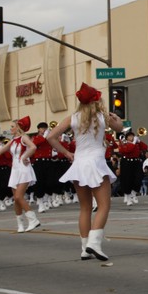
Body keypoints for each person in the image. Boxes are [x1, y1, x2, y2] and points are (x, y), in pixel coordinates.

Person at [47, 83, 123, 261]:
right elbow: (120, 128)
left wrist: (66, 153)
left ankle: (84, 248)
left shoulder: (72, 117)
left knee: (85, 208)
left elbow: (50, 137)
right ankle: (94, 243)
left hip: (79, 164)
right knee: (104, 205)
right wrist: (117, 119)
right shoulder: (103, 116)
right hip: (96, 163)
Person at [0, 116, 42, 232]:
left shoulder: (24, 137)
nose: (10, 129)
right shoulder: (13, 140)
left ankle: (33, 220)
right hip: (15, 170)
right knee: (16, 199)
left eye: (12, 126)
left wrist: (25, 157)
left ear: (18, 127)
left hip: (24, 169)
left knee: (18, 196)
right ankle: (20, 225)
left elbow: (33, 147)